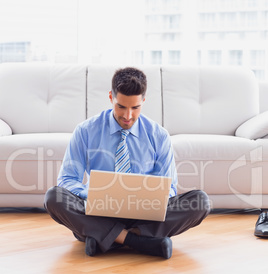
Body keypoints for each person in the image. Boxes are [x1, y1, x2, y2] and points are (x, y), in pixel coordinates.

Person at [44, 67, 210, 259]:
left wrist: (150, 198)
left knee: (200, 202)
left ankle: (106, 238)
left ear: (143, 102)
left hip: (144, 214)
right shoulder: (86, 131)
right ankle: (139, 241)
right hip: (98, 211)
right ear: (110, 98)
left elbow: (169, 187)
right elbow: (67, 179)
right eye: (121, 106)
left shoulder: (159, 135)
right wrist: (95, 194)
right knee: (53, 197)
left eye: (135, 108)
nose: (128, 116)